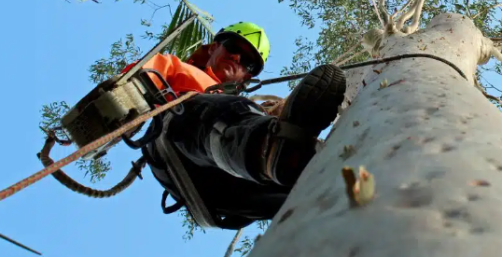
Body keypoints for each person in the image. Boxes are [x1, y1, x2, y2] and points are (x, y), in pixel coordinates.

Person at [133, 22, 346, 230]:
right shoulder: (177, 69)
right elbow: (131, 84)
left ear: (247, 77)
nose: (237, 58)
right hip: (179, 149)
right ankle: (268, 147)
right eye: (234, 48)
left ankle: (333, 197)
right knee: (222, 110)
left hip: (235, 184)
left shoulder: (242, 108)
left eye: (248, 63)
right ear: (214, 47)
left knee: (307, 194)